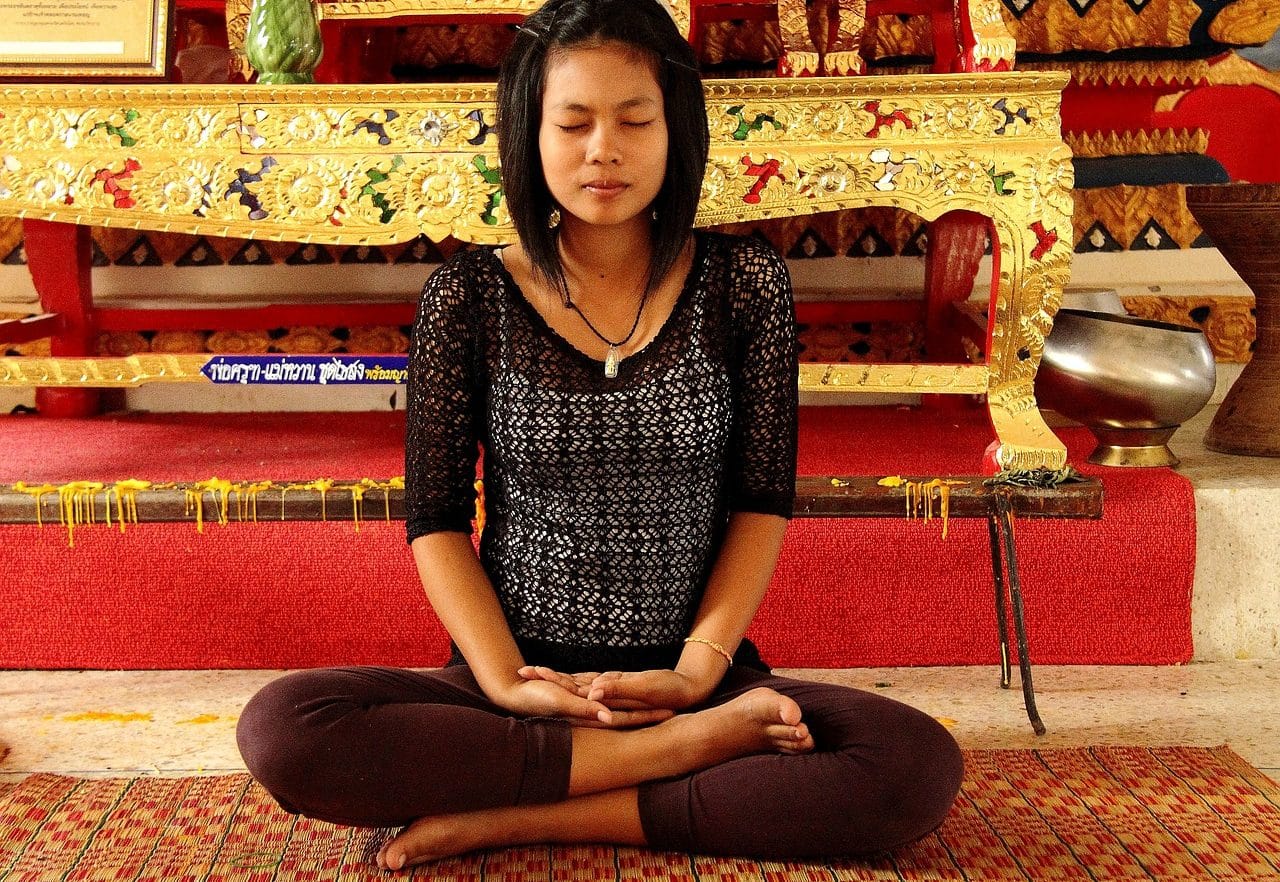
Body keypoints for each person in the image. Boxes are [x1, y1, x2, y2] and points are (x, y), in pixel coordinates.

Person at [236, 0, 963, 871]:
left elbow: (760, 499)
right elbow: (433, 518)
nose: (602, 150)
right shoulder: (467, 297)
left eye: (634, 119)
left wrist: (698, 678)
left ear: (676, 127)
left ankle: (520, 815)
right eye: (572, 122)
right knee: (286, 732)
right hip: (516, 695)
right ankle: (669, 765)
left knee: (913, 766)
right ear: (529, 133)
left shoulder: (743, 285)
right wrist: (506, 680)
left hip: (695, 683)